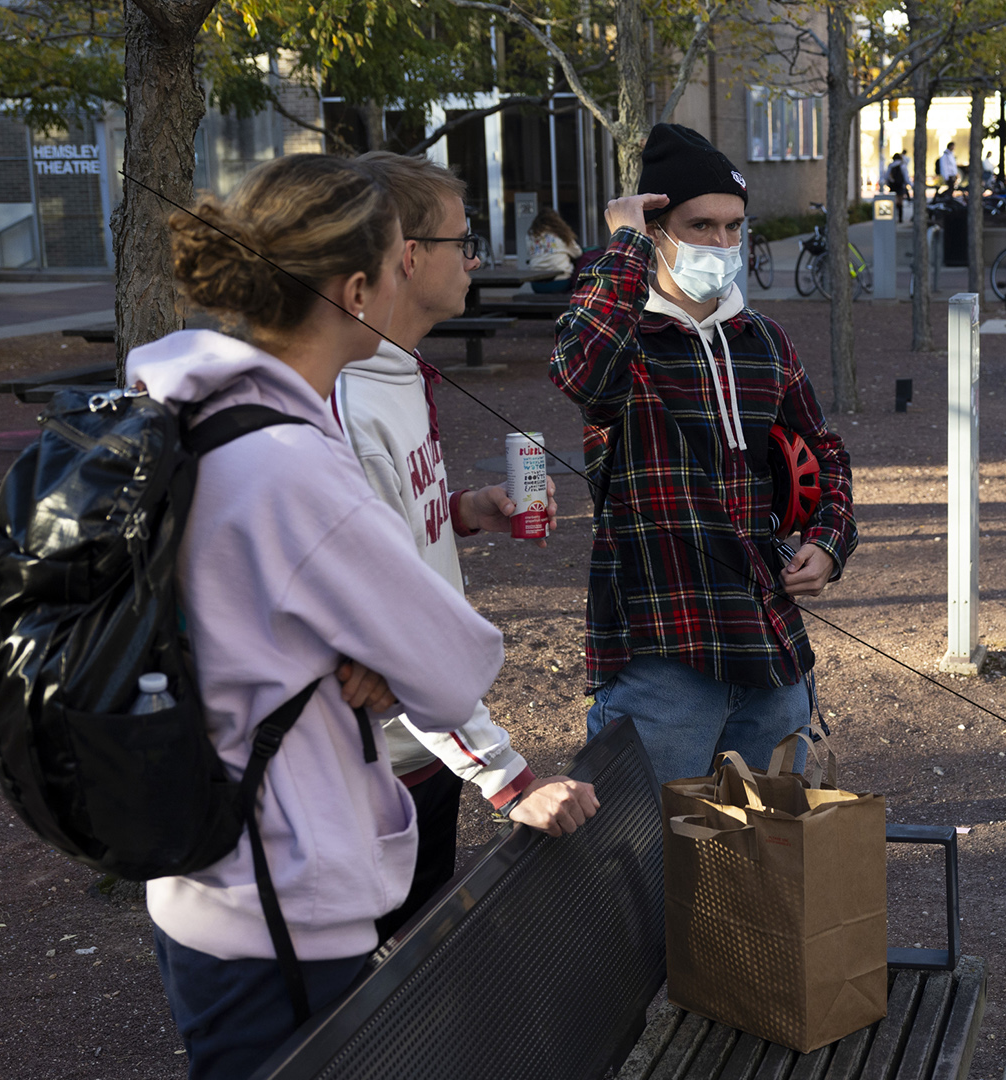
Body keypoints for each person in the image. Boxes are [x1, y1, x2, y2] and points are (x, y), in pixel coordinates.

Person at [129, 154, 507, 1079]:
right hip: (276, 894)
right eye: (395, 259)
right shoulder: (291, 465)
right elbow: (454, 665)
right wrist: (384, 650)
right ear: (358, 289)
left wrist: (368, 647)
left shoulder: (203, 408)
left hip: (205, 867)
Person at [341, 152, 598, 945]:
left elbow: (388, 530)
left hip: (422, 754)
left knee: (411, 965)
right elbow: (387, 624)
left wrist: (459, 511)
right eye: (464, 240)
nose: (478, 259)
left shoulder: (397, 364)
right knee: (367, 1008)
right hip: (371, 767)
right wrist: (511, 780)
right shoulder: (346, 394)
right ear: (408, 257)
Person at [552, 123, 857, 786]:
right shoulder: (624, 337)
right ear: (657, 229)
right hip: (663, 653)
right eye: (700, 226)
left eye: (732, 227)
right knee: (645, 867)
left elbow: (825, 451)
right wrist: (625, 246)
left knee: (763, 869)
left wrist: (831, 541)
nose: (721, 244)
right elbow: (579, 372)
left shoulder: (764, 340)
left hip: (770, 648)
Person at [525, 208, 583, 294]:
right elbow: (578, 253)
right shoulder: (562, 234)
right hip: (560, 283)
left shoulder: (531, 235)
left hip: (537, 284)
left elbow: (530, 254)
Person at [887, 151, 909, 215]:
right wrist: (909, 184)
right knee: (900, 201)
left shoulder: (891, 165)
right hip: (900, 185)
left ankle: (895, 215)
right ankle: (900, 216)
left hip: (893, 185)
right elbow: (905, 176)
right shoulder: (902, 165)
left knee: (894, 200)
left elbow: (887, 176)